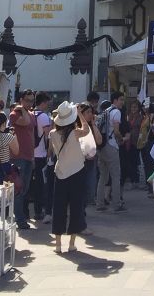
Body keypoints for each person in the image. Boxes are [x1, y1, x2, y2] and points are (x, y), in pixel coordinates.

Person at [48, 101, 96, 254]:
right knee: (76, 207)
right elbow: (87, 129)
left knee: (59, 208)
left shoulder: (52, 134)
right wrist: (79, 114)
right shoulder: (75, 133)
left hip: (60, 173)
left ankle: (57, 245)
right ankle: (71, 244)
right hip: (77, 172)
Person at [9, 92, 37, 229]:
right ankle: (20, 220)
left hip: (28, 156)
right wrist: (22, 109)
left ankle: (19, 217)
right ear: (21, 100)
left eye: (32, 101)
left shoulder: (31, 114)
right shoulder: (15, 114)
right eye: (27, 100)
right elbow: (25, 123)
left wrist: (32, 157)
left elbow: (31, 134)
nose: (30, 103)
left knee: (24, 189)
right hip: (18, 157)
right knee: (19, 190)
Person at [95, 92, 126, 212]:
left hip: (101, 146)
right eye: (121, 99)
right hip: (111, 146)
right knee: (115, 176)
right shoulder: (116, 112)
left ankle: (99, 203)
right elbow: (117, 131)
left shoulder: (106, 111)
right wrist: (121, 139)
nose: (122, 102)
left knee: (103, 176)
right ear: (115, 100)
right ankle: (116, 204)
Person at [32, 92, 53, 223]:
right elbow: (48, 135)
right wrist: (50, 152)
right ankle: (41, 210)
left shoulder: (31, 114)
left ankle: (36, 210)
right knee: (43, 184)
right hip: (41, 154)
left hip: (31, 153)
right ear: (43, 102)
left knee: (34, 184)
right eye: (47, 102)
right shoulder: (43, 116)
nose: (48, 105)